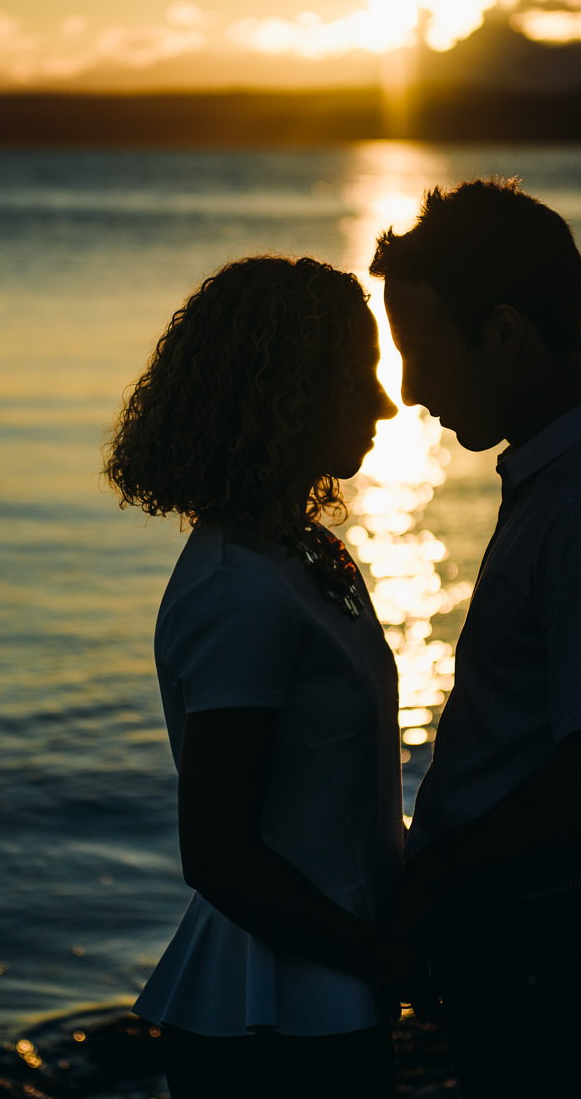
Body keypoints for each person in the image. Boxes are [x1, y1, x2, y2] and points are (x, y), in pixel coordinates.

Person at [372, 179, 581, 1098]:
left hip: (560, 949)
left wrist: (434, 876)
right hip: (554, 941)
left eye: (424, 351)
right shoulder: (575, 485)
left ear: (508, 335)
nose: (408, 391)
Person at [106, 256, 422, 1099]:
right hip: (266, 1020)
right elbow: (217, 851)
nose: (385, 402)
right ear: (288, 394)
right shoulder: (234, 589)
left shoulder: (301, 557)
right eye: (358, 376)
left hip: (324, 995)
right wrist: (388, 961)